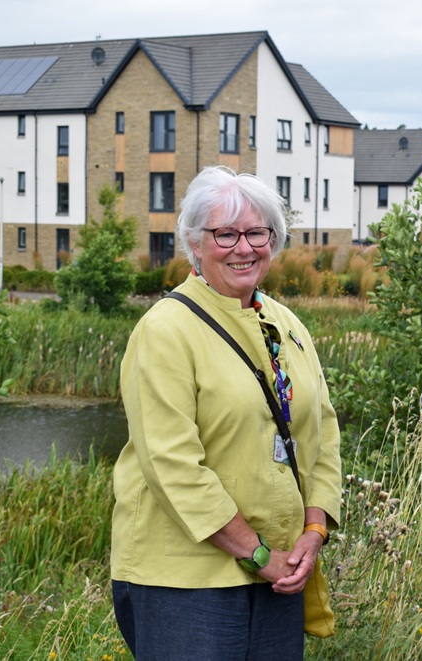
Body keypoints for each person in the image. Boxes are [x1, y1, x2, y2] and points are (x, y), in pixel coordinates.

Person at [111, 165, 341, 660]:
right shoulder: (165, 331)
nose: (244, 247)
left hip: (279, 573)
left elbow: (323, 431)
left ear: (273, 241)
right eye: (225, 234)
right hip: (186, 581)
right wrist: (256, 553)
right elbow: (172, 466)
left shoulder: (286, 323)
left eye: (257, 232)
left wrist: (314, 529)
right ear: (194, 243)